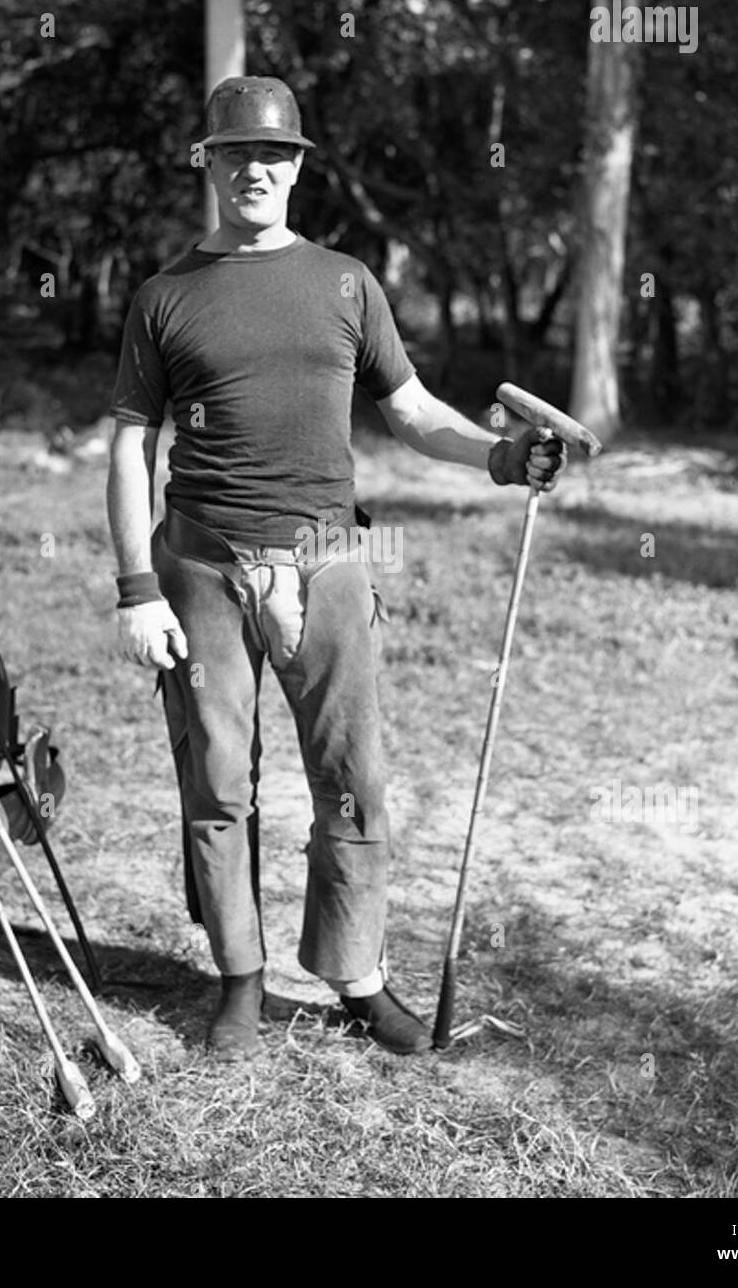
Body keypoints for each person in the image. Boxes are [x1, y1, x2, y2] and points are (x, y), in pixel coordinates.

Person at [107, 76, 566, 1062]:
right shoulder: (164, 296)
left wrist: (497, 456)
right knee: (218, 779)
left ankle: (355, 977)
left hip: (327, 569)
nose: (255, 169)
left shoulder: (345, 282)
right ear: (211, 164)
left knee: (352, 777)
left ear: (298, 166)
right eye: (236, 154)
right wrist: (135, 589)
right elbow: (127, 446)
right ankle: (238, 978)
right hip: (199, 569)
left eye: (273, 154)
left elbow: (409, 409)